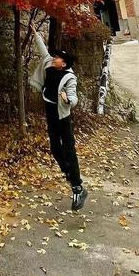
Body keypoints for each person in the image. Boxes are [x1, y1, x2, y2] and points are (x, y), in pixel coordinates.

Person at [28, 21, 87, 211]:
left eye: (58, 58)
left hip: (63, 116)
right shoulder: (49, 65)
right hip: (51, 112)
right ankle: (69, 173)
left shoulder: (69, 77)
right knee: (55, 148)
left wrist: (67, 99)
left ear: (64, 63)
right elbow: (43, 51)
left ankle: (78, 188)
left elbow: (74, 98)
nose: (54, 58)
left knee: (69, 150)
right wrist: (36, 34)